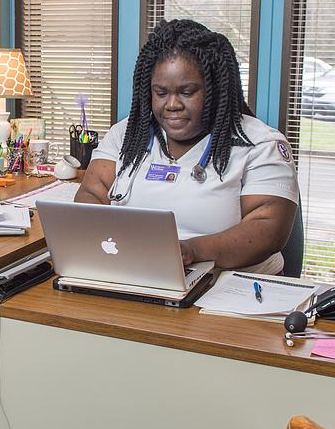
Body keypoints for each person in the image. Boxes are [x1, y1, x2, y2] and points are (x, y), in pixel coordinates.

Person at [76, 19, 299, 274]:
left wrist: (191, 251)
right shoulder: (126, 135)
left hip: (232, 289)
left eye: (186, 92)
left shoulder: (260, 144)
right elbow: (91, 194)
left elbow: (268, 230)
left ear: (215, 89)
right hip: (136, 273)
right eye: (161, 92)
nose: (172, 104)